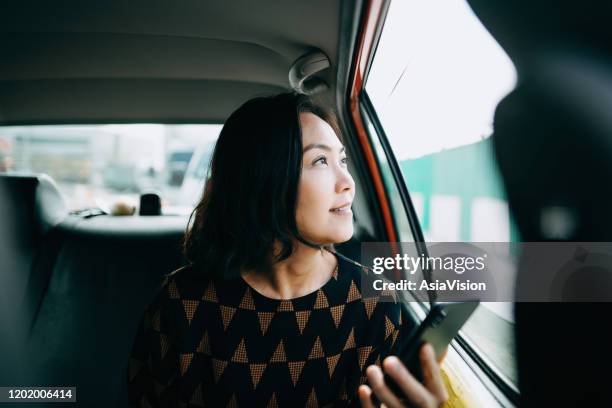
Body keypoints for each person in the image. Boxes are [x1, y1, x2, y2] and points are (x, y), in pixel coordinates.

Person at [127, 92, 448, 407]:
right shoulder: (180, 301)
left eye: (343, 160)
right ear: (261, 179)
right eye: (321, 160)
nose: (347, 181)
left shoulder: (375, 303)